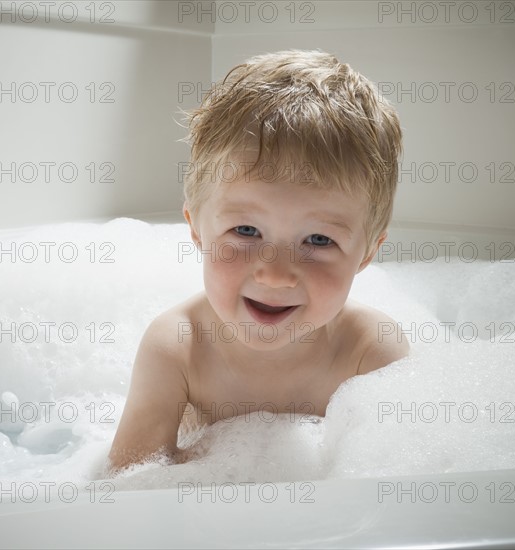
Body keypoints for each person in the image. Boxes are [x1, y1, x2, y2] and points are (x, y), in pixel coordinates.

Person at [108, 50, 409, 472]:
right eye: (246, 231)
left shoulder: (370, 351)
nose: (275, 274)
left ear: (367, 255)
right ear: (197, 230)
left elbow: (394, 491)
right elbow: (129, 487)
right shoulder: (176, 347)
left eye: (318, 240)